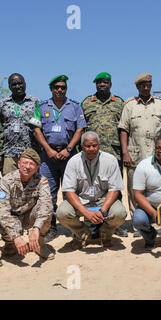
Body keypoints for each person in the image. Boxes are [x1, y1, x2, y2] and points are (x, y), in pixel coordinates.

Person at [31, 75, 87, 243]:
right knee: (48, 194)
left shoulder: (75, 107)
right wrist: (48, 150)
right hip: (48, 157)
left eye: (63, 87)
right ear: (51, 89)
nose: (60, 90)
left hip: (69, 156)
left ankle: (73, 226)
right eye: (57, 87)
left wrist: (68, 149)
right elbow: (36, 129)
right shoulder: (41, 107)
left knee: (72, 192)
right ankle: (51, 227)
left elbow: (80, 129)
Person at [118, 73, 161, 230]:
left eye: (148, 85)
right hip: (135, 154)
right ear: (137, 87)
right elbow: (124, 130)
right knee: (134, 189)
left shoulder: (160, 104)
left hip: (157, 156)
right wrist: (125, 153)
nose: (145, 88)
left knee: (156, 189)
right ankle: (137, 225)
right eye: (142, 85)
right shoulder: (129, 105)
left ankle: (157, 222)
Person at [56, 131, 127, 249]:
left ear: (99, 145)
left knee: (119, 213)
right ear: (82, 147)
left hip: (102, 201)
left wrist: (102, 211)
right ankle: (83, 233)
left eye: (94, 145)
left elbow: (114, 190)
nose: (91, 149)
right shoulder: (73, 162)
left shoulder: (110, 160)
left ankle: (105, 233)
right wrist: (85, 212)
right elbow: (69, 191)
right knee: (62, 213)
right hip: (82, 200)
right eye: (87, 146)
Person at [81, 72, 128, 238]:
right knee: (93, 189)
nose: (102, 85)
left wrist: (125, 151)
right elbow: (82, 128)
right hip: (92, 155)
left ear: (111, 84)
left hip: (114, 153)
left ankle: (115, 224)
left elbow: (124, 128)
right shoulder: (87, 103)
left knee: (115, 189)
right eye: (99, 82)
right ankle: (93, 223)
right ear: (95, 84)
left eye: (105, 82)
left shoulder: (119, 103)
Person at [0, 149, 54, 266]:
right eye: (24, 163)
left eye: (31, 164)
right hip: (12, 218)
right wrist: (16, 237)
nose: (27, 167)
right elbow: (3, 211)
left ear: (37, 167)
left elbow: (46, 203)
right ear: (19, 164)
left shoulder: (42, 181)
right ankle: (10, 244)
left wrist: (36, 229)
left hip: (29, 217)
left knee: (47, 209)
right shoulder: (6, 181)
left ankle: (39, 244)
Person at [0, 73, 40, 175]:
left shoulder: (36, 102)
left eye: (20, 83)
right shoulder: (3, 104)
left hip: (30, 153)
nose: (18, 86)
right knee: (8, 187)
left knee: (30, 187)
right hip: (9, 153)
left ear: (25, 84)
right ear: (9, 87)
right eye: (14, 84)